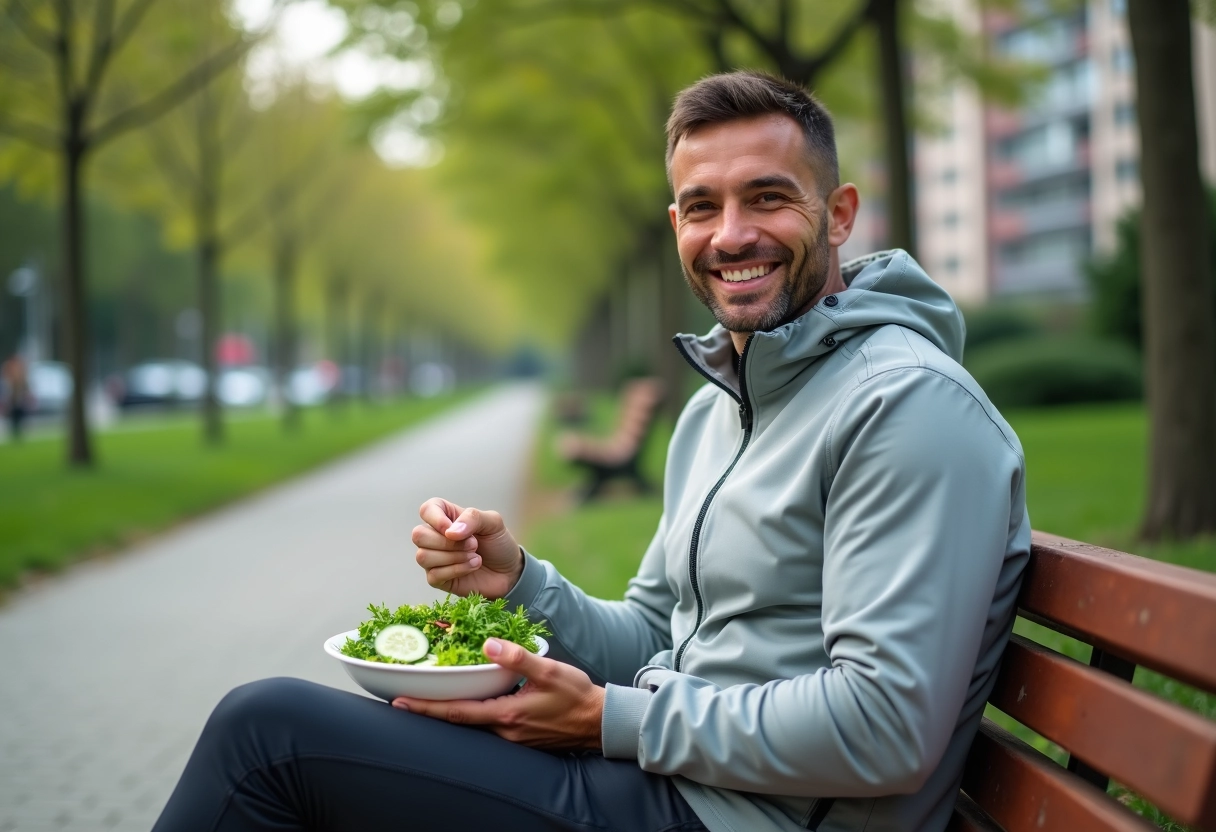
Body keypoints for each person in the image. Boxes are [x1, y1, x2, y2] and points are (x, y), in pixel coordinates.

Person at [154, 71, 1030, 832]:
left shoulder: (908, 408)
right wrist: (518, 582)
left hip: (735, 815)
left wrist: (614, 720)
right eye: (701, 207)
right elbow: (654, 630)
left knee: (267, 736)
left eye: (767, 197)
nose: (730, 235)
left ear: (838, 216)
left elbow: (884, 727)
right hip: (670, 784)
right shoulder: (722, 406)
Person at [2, 353, 31, 441]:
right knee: (13, 415)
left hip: (18, 397)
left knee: (19, 414)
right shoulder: (9, 368)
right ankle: (15, 432)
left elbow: (24, 382)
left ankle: (18, 432)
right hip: (12, 397)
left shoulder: (19, 369)